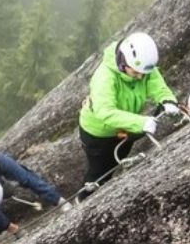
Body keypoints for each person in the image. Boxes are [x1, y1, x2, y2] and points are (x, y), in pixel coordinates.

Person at [75, 32, 180, 199]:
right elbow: (104, 111)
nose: (140, 77)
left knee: (116, 162)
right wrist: (140, 122)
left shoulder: (142, 68)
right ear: (123, 62)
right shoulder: (105, 77)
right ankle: (84, 200)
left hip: (126, 126)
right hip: (97, 133)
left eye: (143, 74)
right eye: (136, 73)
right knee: (100, 172)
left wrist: (168, 100)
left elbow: (156, 85)